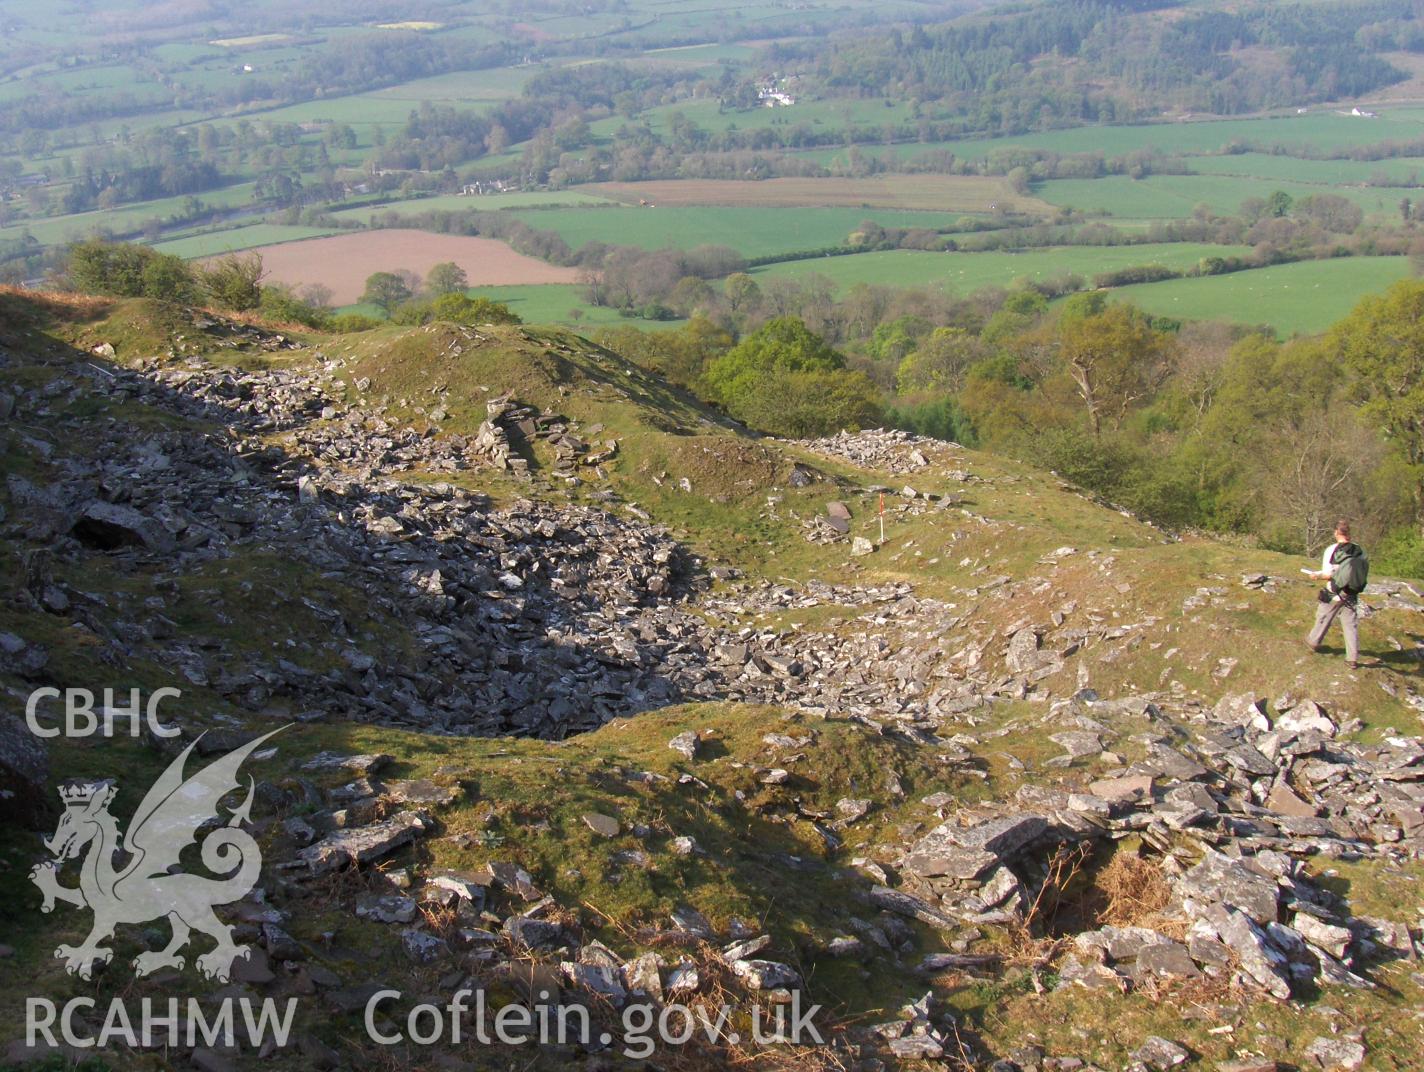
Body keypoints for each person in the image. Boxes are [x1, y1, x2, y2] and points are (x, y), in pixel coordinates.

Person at [1304, 519, 1367, 670]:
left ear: (1336, 532)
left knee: (1323, 615)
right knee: (1350, 624)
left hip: (1335, 590)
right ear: (1349, 533)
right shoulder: (1360, 550)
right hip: (1351, 591)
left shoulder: (1332, 549)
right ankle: (1352, 659)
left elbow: (1328, 574)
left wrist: (1316, 576)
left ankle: (1313, 641)